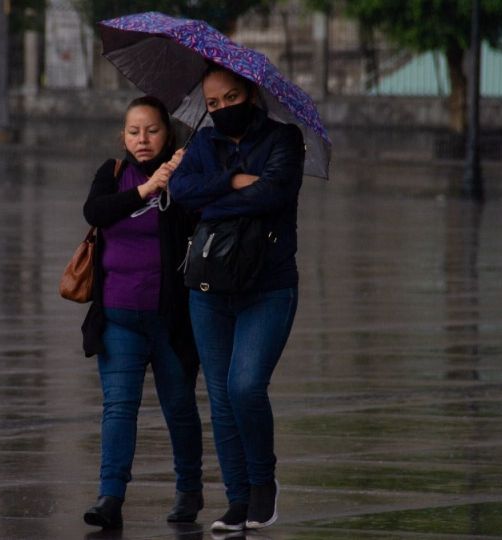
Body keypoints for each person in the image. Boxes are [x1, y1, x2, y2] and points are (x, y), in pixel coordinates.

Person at [168, 64, 304, 532]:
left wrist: (214, 199)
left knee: (245, 386)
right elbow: (182, 193)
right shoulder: (203, 142)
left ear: (250, 93)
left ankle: (263, 483)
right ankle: (237, 498)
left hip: (268, 286)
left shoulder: (284, 140)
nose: (222, 108)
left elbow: (272, 196)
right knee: (222, 397)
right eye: (212, 104)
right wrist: (230, 182)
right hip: (207, 287)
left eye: (230, 98)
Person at [80, 95, 204, 529]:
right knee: (118, 408)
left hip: (171, 320)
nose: (142, 139)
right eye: (133, 131)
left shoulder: (183, 174)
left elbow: (202, 221)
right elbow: (95, 211)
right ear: (123, 136)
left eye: (151, 130)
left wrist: (180, 181)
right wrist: (146, 189)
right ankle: (110, 496)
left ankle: (189, 490)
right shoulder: (112, 175)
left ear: (167, 133)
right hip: (118, 315)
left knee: (179, 407)